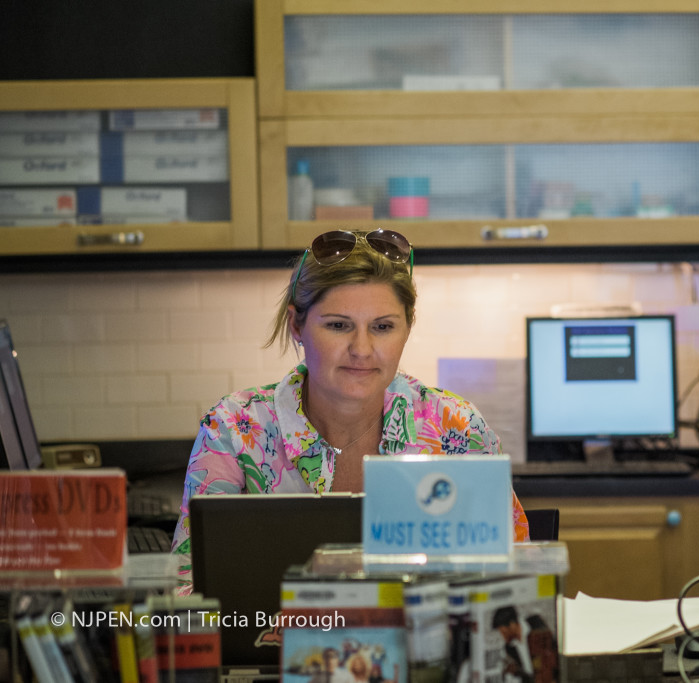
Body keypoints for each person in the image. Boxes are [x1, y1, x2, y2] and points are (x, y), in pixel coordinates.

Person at [170, 228, 530, 594]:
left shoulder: (458, 428)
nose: (362, 348)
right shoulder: (235, 429)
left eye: (383, 327)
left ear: (408, 327)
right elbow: (189, 588)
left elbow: (518, 577)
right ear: (297, 325)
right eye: (339, 325)